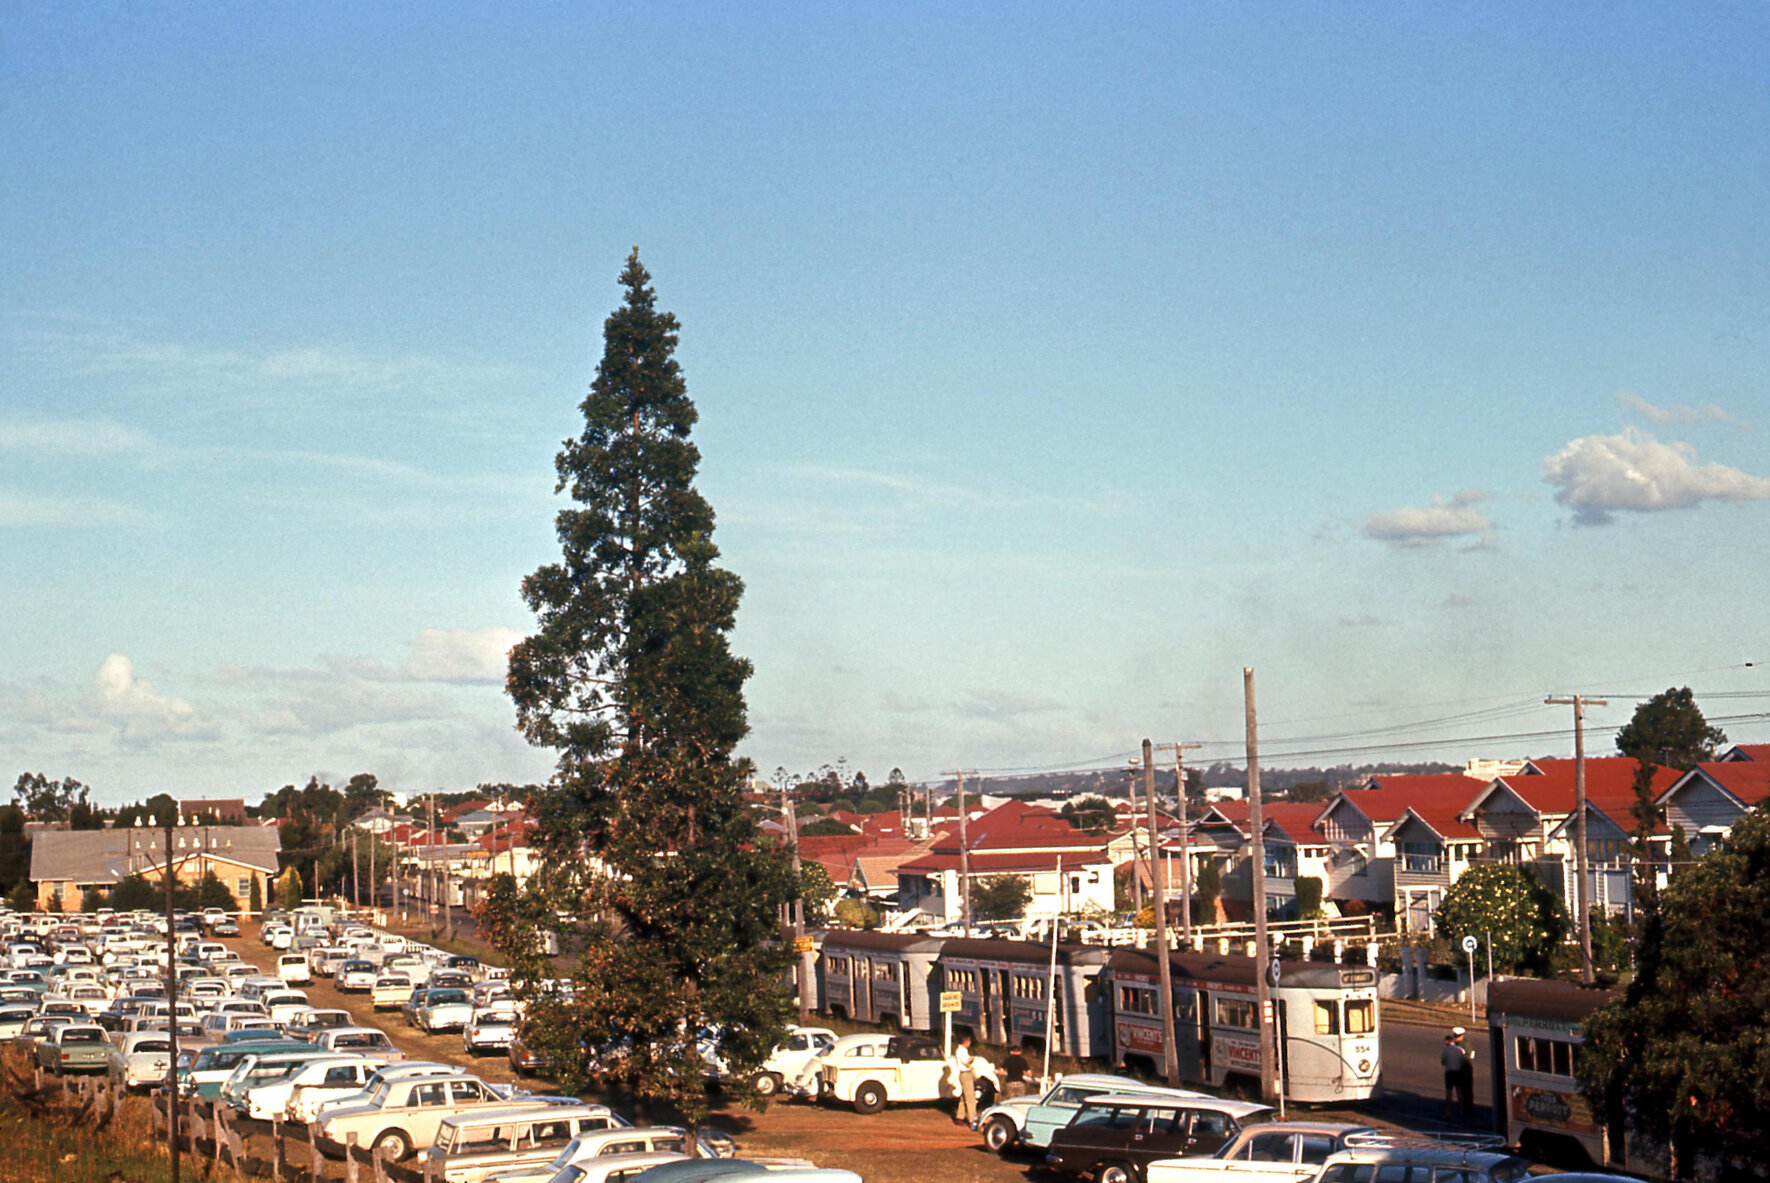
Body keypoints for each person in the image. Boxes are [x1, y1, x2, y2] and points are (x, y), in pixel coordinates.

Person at [1440, 1029, 1469, 1120]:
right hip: (1458, 1071)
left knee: (1449, 1092)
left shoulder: (1446, 1050)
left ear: (1447, 1041)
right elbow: (1463, 1060)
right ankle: (1461, 1110)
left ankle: (1448, 1112)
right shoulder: (1459, 1050)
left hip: (1449, 1072)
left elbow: (1443, 1061)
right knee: (1459, 1091)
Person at [952, 1033, 979, 1129]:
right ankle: (973, 1120)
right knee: (970, 1098)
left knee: (964, 1097)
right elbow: (966, 1063)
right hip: (965, 1073)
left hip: (965, 1073)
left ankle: (959, 1116)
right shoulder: (961, 1051)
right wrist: (971, 1059)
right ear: (966, 1042)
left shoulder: (963, 1050)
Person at [1452, 1026, 1476, 1118]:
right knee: (1460, 1089)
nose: (1456, 1037)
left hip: (1465, 1069)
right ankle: (1462, 1107)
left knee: (1466, 1090)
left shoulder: (1465, 1044)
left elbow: (1470, 1056)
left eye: (1457, 1036)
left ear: (1461, 1035)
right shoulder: (1455, 1044)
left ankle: (1468, 1108)